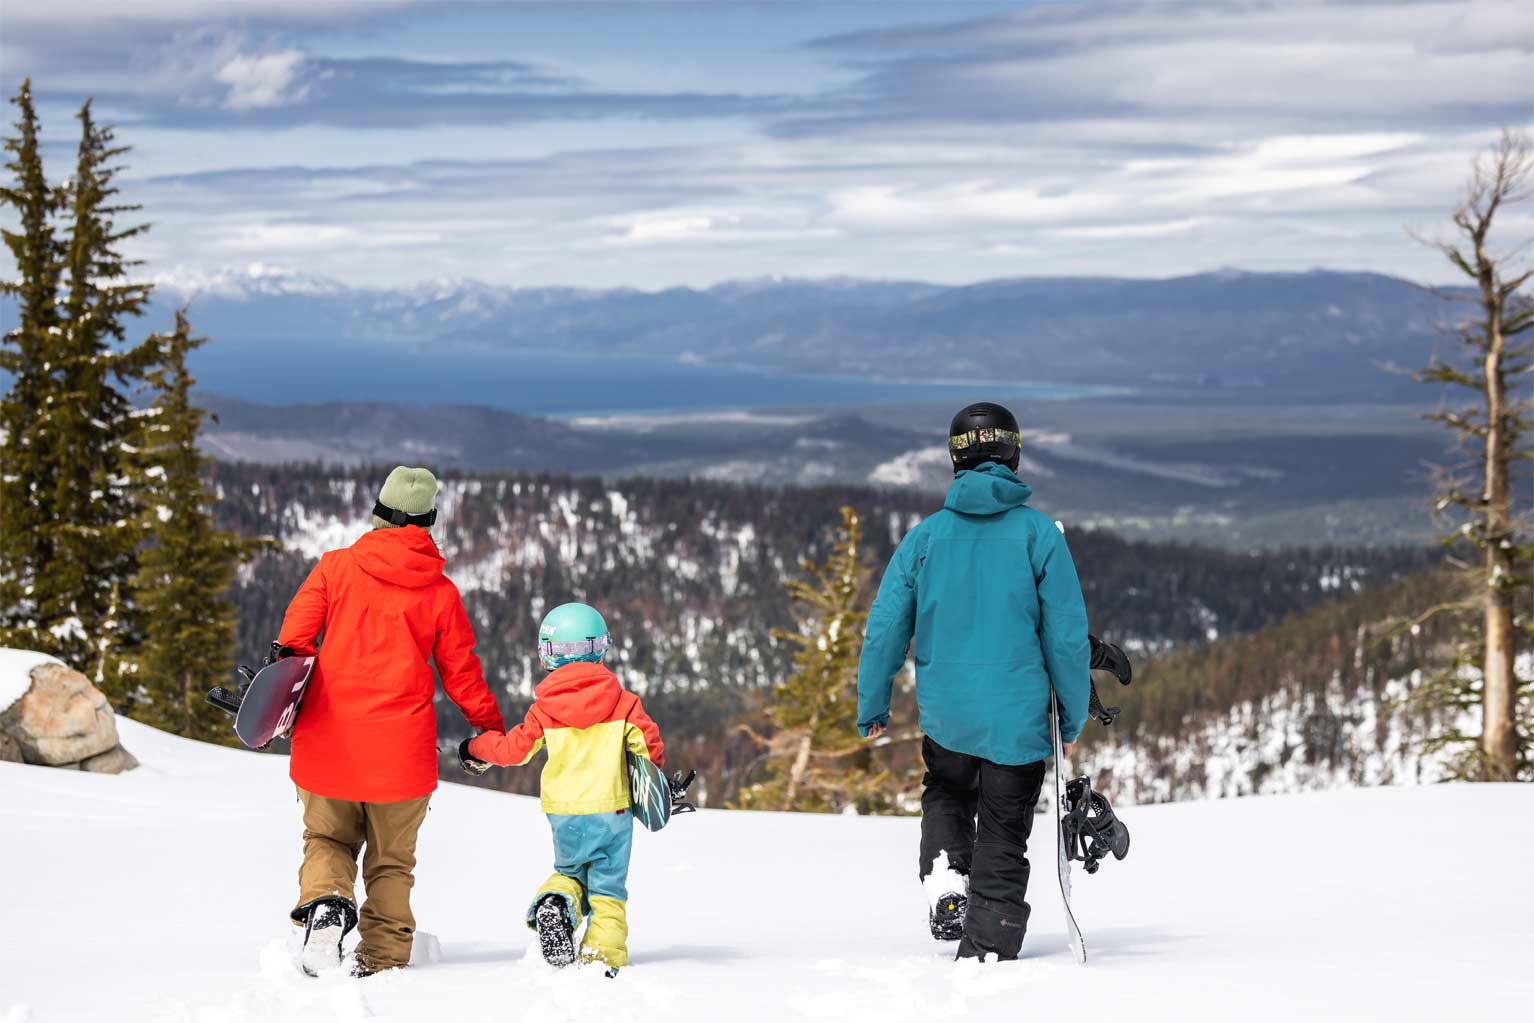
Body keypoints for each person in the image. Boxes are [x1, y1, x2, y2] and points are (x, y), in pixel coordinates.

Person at [856, 402, 1090, 962]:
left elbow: (885, 628)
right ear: (1013, 451)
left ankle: (946, 883)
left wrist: (873, 703)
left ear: (955, 457)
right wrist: (1073, 715)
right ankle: (989, 939)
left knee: (949, 793)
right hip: (1017, 719)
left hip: (948, 715)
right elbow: (1066, 638)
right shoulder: (1039, 535)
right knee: (1005, 826)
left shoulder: (925, 538)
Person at [276, 465, 506, 978]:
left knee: (327, 842)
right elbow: (461, 674)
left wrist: (279, 707)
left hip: (327, 744)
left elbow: (292, 644)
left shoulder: (334, 569)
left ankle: (328, 906)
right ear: (429, 522)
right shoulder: (439, 593)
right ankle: (381, 962)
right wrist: (488, 727)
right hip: (403, 758)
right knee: (391, 864)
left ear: (378, 513)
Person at [460, 602, 664, 977]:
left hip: (564, 811)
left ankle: (556, 900)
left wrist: (474, 748)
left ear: (547, 656)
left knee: (570, 871)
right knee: (607, 886)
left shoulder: (544, 711)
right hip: (612, 810)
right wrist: (656, 783)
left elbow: (513, 751)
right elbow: (647, 747)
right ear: (601, 648)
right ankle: (603, 953)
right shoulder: (624, 703)